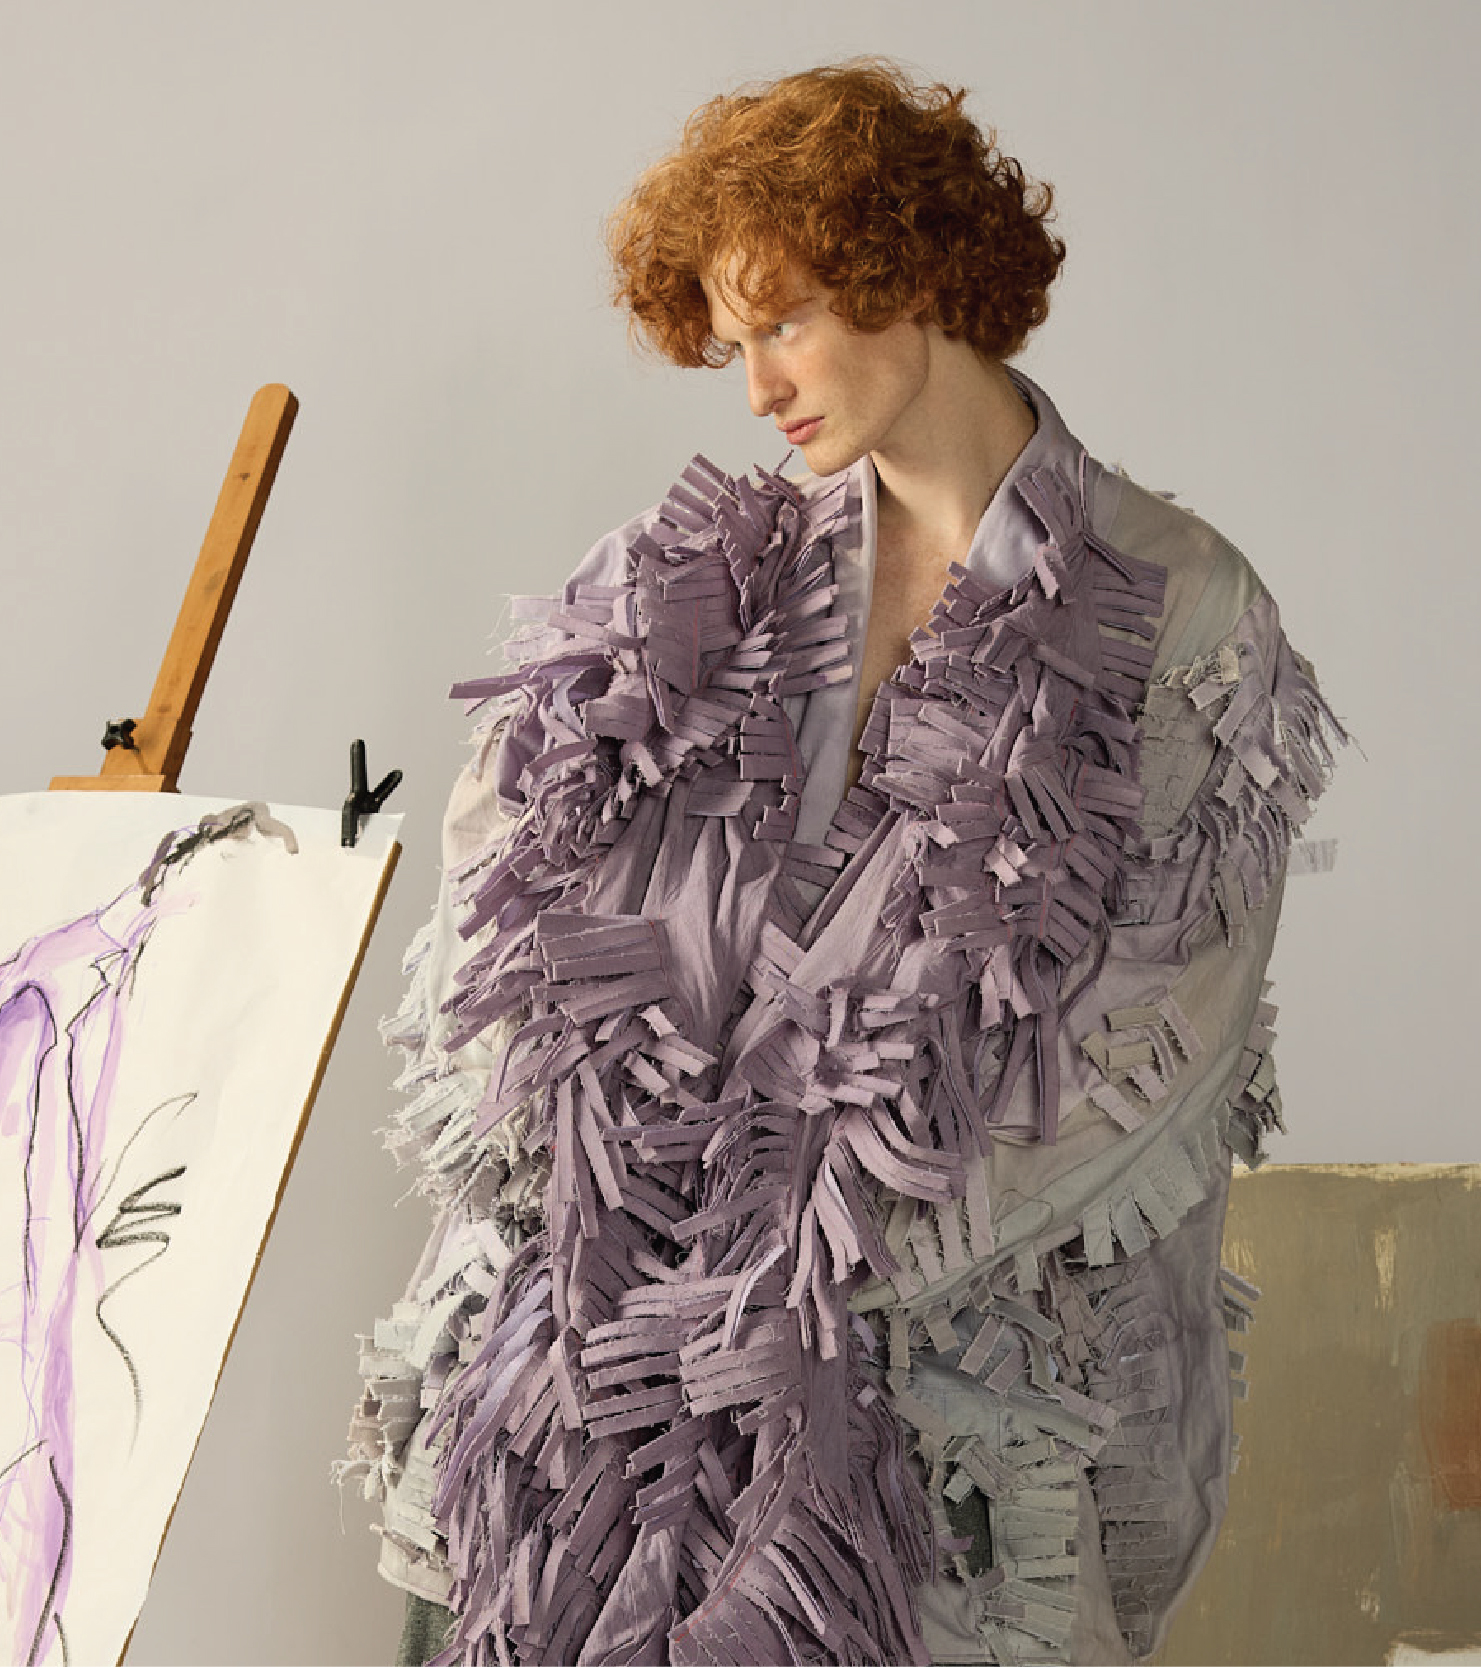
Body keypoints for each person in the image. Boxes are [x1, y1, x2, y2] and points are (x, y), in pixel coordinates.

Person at [342, 60, 1342, 1667]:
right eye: (731, 345)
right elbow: (498, 898)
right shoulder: (687, 585)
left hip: (946, 1456)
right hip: (590, 1427)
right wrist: (628, 1209)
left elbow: (1153, 1040)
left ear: (912, 273)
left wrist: (793, 1273)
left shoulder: (1178, 606)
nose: (755, 390)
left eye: (787, 323)